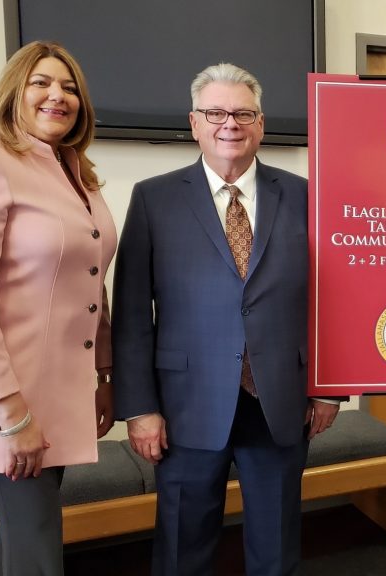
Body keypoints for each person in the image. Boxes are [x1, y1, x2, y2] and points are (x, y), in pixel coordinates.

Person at [112, 63, 339, 576]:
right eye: (216, 112)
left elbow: (332, 298)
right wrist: (140, 409)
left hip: (279, 400)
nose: (229, 124)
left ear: (260, 124)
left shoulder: (307, 196)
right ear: (194, 122)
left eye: (242, 113)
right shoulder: (153, 198)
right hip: (184, 406)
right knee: (181, 549)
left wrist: (329, 389)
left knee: (277, 548)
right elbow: (130, 315)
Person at [0, 41, 116, 575]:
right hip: (4, 396)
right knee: (36, 541)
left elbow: (92, 281)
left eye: (70, 87)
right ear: (14, 90)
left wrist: (103, 372)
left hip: (59, 392)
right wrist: (12, 416)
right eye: (42, 82)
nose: (58, 95)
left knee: (22, 537)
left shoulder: (76, 172)